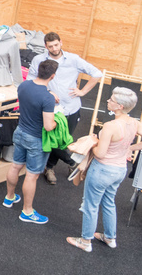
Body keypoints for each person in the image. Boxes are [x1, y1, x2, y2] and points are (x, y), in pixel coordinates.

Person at [66, 87, 142, 252]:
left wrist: (93, 143)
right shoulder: (134, 122)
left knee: (90, 205)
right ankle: (110, 237)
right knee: (109, 202)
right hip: (119, 171)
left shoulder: (110, 126)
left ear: (120, 106)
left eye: (112, 100)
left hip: (102, 170)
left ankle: (85, 241)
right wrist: (130, 148)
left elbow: (100, 154)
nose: (108, 101)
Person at [28, 32, 101, 185]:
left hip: (71, 108)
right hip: (50, 108)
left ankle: (49, 167)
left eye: (56, 45)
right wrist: (47, 92)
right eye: (50, 46)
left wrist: (82, 91)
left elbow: (96, 73)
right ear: (45, 46)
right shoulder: (39, 60)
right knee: (53, 139)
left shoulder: (73, 59)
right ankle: (73, 162)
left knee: (62, 140)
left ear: (61, 42)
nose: (54, 48)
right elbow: (31, 79)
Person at [4, 59, 58, 224]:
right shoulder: (47, 98)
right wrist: (57, 120)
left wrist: (49, 95)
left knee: (15, 166)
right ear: (53, 76)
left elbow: (33, 99)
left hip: (19, 132)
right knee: (32, 175)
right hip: (35, 139)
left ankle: (9, 197)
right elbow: (49, 126)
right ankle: (27, 212)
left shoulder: (24, 86)